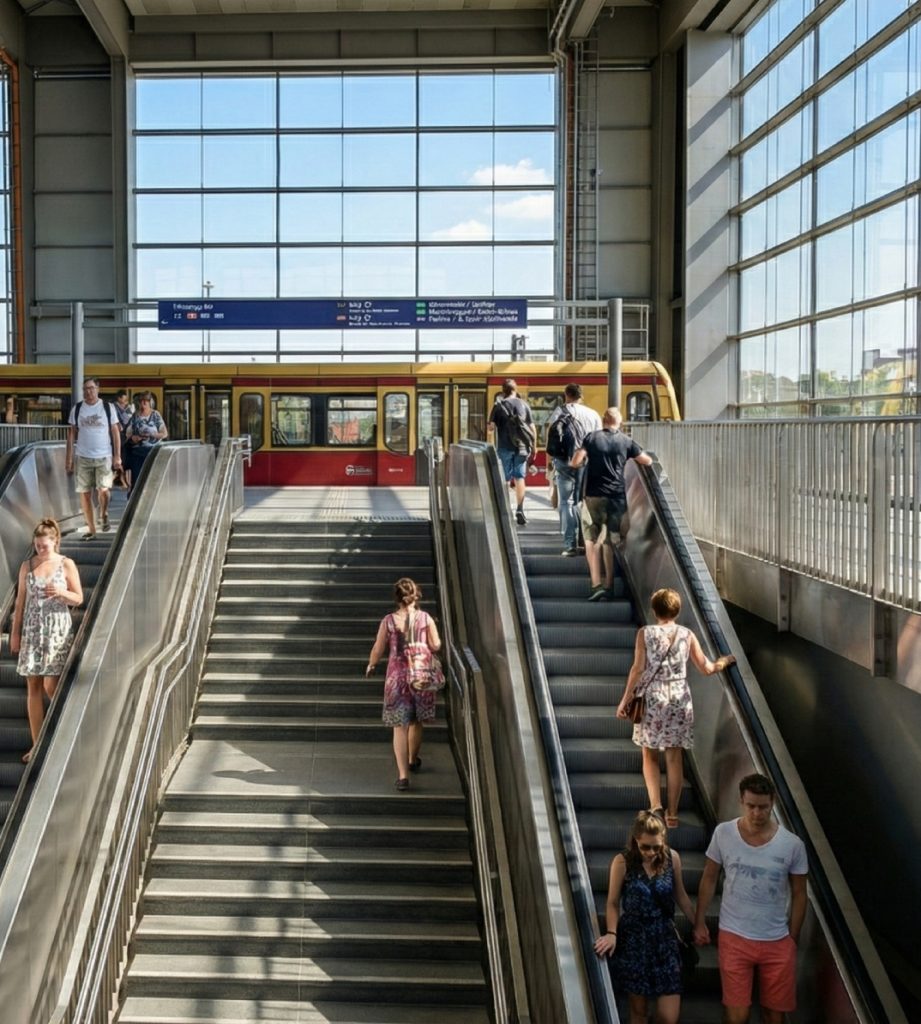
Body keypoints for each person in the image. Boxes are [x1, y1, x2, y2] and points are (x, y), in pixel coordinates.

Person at [693, 773, 808, 1024]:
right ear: (741, 801)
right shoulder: (724, 833)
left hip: (776, 939)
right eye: (751, 806)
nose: (757, 813)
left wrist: (793, 936)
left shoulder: (792, 845)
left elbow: (800, 892)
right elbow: (709, 877)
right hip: (734, 935)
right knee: (737, 1015)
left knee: (774, 1015)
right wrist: (700, 921)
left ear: (772, 803)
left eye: (763, 807)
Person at [617, 588, 735, 828]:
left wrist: (625, 700)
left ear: (654, 610)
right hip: (679, 698)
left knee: (649, 753)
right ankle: (672, 814)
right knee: (674, 757)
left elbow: (637, 669)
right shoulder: (687, 634)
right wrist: (724, 661)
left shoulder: (645, 633)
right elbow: (706, 668)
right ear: (677, 611)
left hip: (652, 697)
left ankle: (656, 806)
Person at [593, 810, 695, 1024]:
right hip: (635, 939)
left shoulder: (672, 858)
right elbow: (612, 902)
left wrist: (698, 923)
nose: (651, 852)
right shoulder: (622, 862)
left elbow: (681, 895)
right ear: (635, 841)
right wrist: (612, 932)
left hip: (664, 939)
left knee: (668, 1017)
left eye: (656, 847)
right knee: (638, 1012)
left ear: (663, 841)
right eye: (645, 847)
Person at [7, 519, 83, 763]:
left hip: (56, 630)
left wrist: (61, 592)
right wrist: (15, 633)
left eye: (44, 546)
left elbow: (78, 598)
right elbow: (20, 603)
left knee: (52, 685)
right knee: (33, 686)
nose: (40, 549)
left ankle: (66, 735)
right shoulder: (27, 565)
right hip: (32, 630)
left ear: (55, 541)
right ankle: (37, 745)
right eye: (37, 546)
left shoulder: (65, 563)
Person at [366, 578, 442, 791]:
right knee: (416, 721)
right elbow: (436, 645)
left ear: (397, 598)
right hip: (421, 676)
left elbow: (378, 648)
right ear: (416, 595)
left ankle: (403, 776)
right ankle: (413, 759)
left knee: (399, 727)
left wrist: (372, 664)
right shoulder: (426, 618)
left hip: (397, 678)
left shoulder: (389, 621)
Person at [570, 407, 652, 600]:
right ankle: (609, 585)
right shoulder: (626, 441)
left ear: (603, 420)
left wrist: (582, 463)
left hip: (593, 496)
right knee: (609, 541)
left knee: (590, 540)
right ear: (619, 422)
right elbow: (647, 461)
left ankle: (596, 584)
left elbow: (576, 461)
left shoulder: (591, 438)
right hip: (616, 497)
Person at [546, 383, 602, 556]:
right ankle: (586, 542)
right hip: (586, 461)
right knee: (584, 501)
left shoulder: (559, 412)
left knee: (566, 502)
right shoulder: (592, 414)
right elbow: (599, 440)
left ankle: (570, 544)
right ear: (581, 396)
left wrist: (549, 462)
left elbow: (550, 437)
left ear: (566, 395)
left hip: (564, 461)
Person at [66, 377, 122, 539]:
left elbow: (115, 432)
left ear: (98, 389)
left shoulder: (108, 408)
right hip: (82, 456)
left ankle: (103, 513)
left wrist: (117, 456)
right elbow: (71, 434)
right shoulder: (77, 409)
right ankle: (91, 529)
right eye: (85, 389)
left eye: (91, 388)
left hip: (103, 456)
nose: (88, 392)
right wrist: (69, 459)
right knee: (84, 493)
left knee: (103, 490)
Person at [486, 378, 535, 526]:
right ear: (515, 389)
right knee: (519, 478)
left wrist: (492, 429)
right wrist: (534, 446)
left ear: (503, 391)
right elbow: (532, 427)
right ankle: (520, 509)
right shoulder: (524, 404)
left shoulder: (498, 405)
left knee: (505, 479)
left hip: (504, 447)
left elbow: (490, 429)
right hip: (522, 447)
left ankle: (505, 511)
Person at [125, 391, 168, 488]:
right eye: (141, 401)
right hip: (137, 453)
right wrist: (134, 438)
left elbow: (164, 434)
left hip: (153, 452)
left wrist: (153, 434)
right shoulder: (135, 416)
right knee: (137, 481)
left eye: (146, 401)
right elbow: (128, 434)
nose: (143, 403)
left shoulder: (155, 415)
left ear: (150, 402)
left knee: (152, 480)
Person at [113, 389, 135, 489]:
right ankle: (120, 479)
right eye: (124, 398)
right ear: (119, 398)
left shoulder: (129, 408)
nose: (126, 400)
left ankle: (122, 478)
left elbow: (131, 419)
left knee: (125, 459)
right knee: (120, 459)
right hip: (118, 436)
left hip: (126, 437)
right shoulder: (113, 408)